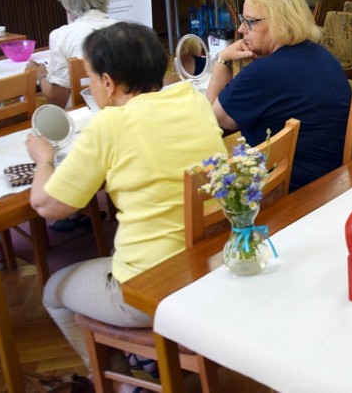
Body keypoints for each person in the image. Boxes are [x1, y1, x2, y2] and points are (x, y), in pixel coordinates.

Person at [24, 22, 226, 371]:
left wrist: (43, 158)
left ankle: (115, 378)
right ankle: (143, 359)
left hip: (151, 284)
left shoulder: (110, 124)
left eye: (89, 77)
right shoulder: (192, 99)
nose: (89, 86)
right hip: (212, 262)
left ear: (107, 82)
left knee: (53, 290)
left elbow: (48, 206)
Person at [206, 0, 351, 191]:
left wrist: (222, 59)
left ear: (281, 22)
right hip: (334, 178)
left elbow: (213, 119)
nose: (240, 29)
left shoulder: (263, 74)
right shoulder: (321, 54)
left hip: (295, 191)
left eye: (250, 21)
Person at [26, 0, 118, 107]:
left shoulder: (61, 36)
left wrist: (40, 76)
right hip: (122, 107)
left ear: (67, 3)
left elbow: (57, 99)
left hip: (84, 112)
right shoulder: (124, 30)